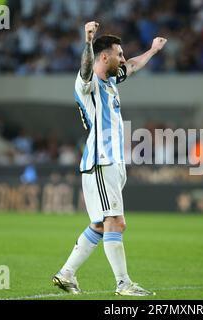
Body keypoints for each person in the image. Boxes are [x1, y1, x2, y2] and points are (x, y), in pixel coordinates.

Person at [52, 21, 167, 296]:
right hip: (101, 160)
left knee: (100, 225)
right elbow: (84, 68)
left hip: (111, 162)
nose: (123, 58)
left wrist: (152, 50)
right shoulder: (87, 84)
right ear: (104, 56)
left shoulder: (112, 81)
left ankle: (66, 273)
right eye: (119, 53)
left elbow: (134, 66)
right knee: (116, 221)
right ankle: (123, 284)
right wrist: (88, 42)